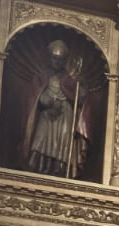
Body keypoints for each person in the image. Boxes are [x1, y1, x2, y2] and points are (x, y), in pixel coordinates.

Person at [26, 39, 88, 178]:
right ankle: (37, 165)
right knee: (41, 138)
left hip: (65, 114)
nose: (57, 62)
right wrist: (48, 102)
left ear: (65, 60)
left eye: (61, 59)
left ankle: (60, 168)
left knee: (63, 141)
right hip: (47, 113)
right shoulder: (42, 76)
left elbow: (80, 99)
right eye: (54, 58)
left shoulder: (70, 79)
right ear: (50, 57)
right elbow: (35, 96)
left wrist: (81, 86)